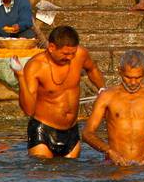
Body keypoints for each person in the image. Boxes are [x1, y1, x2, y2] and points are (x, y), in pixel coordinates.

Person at [17, 25, 105, 158]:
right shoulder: (36, 66)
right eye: (65, 54)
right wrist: (21, 79)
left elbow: (92, 68)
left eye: (72, 53)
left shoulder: (80, 54)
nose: (70, 58)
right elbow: (28, 110)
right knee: (44, 174)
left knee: (71, 175)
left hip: (72, 130)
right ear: (51, 47)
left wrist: (103, 89)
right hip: (43, 130)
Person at [80, 50, 144, 166]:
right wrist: (108, 151)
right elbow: (87, 133)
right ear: (120, 71)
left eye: (138, 77)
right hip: (115, 164)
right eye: (128, 77)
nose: (133, 82)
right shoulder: (107, 96)